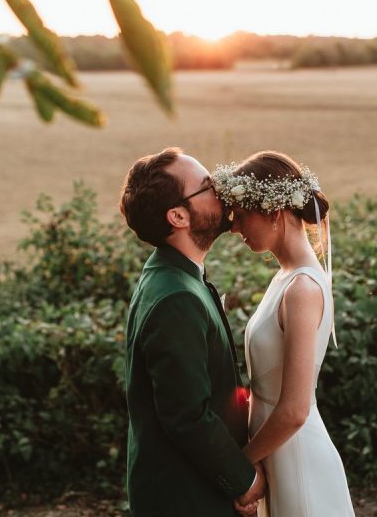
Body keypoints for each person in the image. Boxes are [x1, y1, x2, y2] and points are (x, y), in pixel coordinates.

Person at [119, 147, 266, 517]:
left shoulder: (174, 276)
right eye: (208, 187)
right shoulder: (175, 299)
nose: (223, 191)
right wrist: (245, 480)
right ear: (178, 216)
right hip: (185, 500)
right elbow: (187, 416)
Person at [212, 151, 356, 517]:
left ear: (274, 213)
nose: (234, 228)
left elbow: (294, 409)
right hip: (276, 453)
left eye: (241, 216)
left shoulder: (303, 289)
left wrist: (242, 467)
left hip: (297, 459)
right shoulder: (285, 279)